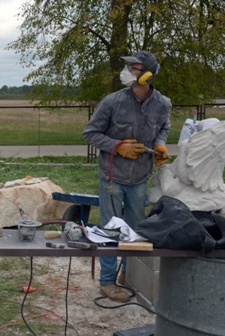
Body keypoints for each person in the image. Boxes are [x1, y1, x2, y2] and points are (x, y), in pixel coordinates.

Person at [83, 50, 171, 302]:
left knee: (135, 230)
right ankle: (107, 282)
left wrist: (161, 144)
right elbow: (90, 133)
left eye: (134, 66)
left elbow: (163, 127)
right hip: (112, 177)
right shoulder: (112, 102)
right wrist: (117, 146)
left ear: (148, 75)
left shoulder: (162, 104)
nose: (128, 70)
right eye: (129, 66)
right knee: (111, 230)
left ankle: (127, 275)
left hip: (140, 178)